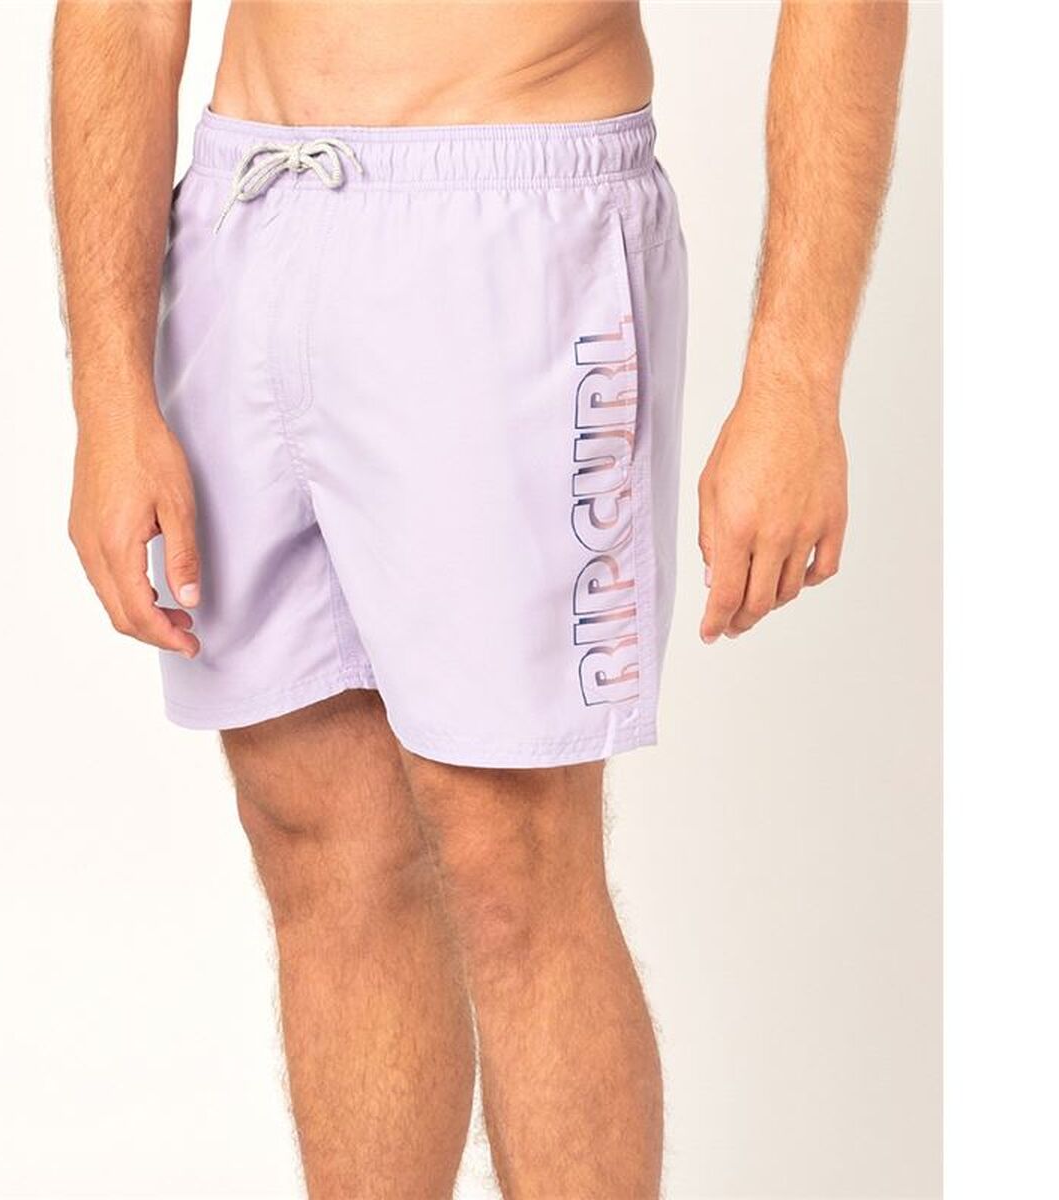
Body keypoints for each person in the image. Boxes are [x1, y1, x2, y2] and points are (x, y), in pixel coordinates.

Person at [50, 2, 906, 1195]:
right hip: (248, 209)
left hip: (513, 220)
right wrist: (106, 390)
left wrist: (796, 381)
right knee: (313, 832)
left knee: (514, 856)